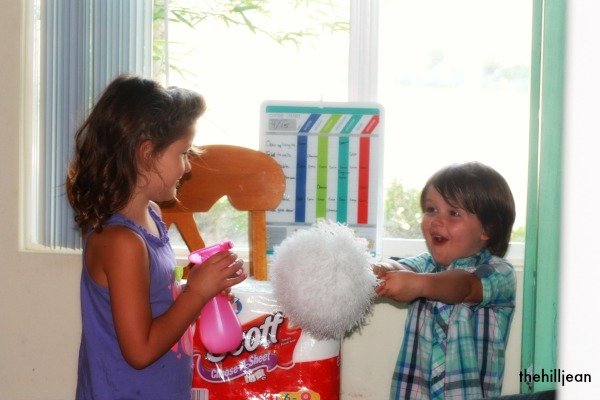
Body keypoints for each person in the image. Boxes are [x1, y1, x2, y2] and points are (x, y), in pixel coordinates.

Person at [66, 74, 246, 399]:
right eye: (183, 153)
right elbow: (141, 350)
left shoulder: (152, 215)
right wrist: (196, 294)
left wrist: (200, 292)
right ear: (146, 153)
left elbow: (153, 301)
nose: (187, 167)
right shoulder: (121, 242)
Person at [374, 162, 516, 400]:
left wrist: (419, 284)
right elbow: (399, 267)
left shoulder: (499, 272)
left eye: (454, 213)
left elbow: (463, 286)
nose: (436, 221)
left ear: (487, 229)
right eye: (431, 209)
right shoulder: (425, 264)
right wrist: (379, 270)